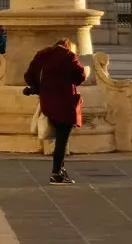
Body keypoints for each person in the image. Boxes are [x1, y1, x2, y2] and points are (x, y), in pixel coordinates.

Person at [24, 38, 88, 185]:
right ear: (69, 47)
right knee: (62, 140)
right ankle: (56, 173)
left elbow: (29, 77)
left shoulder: (42, 55)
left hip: (47, 102)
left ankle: (60, 170)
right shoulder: (69, 56)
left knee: (60, 139)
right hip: (65, 103)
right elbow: (80, 77)